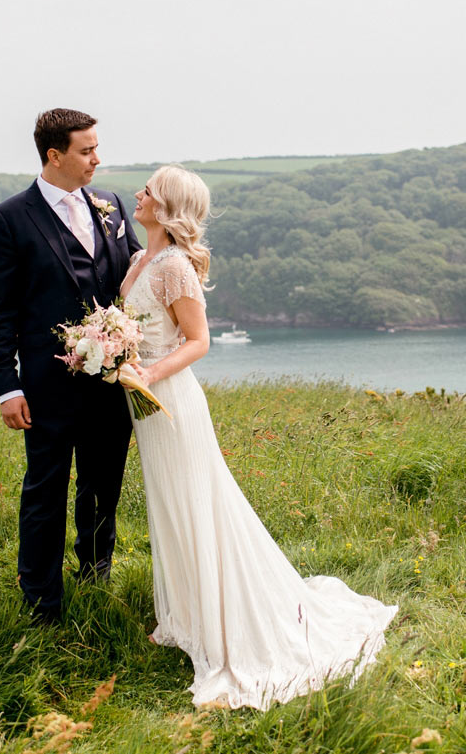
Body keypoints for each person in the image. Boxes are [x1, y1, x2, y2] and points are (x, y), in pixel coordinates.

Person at [120, 165, 398, 710]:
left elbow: (198, 341)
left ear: (167, 204)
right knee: (169, 507)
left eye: (148, 189)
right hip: (143, 403)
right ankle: (183, 616)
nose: (138, 193)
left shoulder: (174, 266)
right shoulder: (138, 261)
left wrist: (149, 374)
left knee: (198, 505)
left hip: (171, 401)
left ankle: (224, 629)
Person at [0, 109, 142, 623]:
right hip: (48, 388)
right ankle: (41, 603)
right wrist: (8, 388)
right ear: (55, 155)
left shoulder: (112, 205)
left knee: (104, 487)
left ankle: (95, 580)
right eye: (87, 150)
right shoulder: (10, 218)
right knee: (44, 493)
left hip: (112, 383)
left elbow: (136, 274)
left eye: (96, 148)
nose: (98, 158)